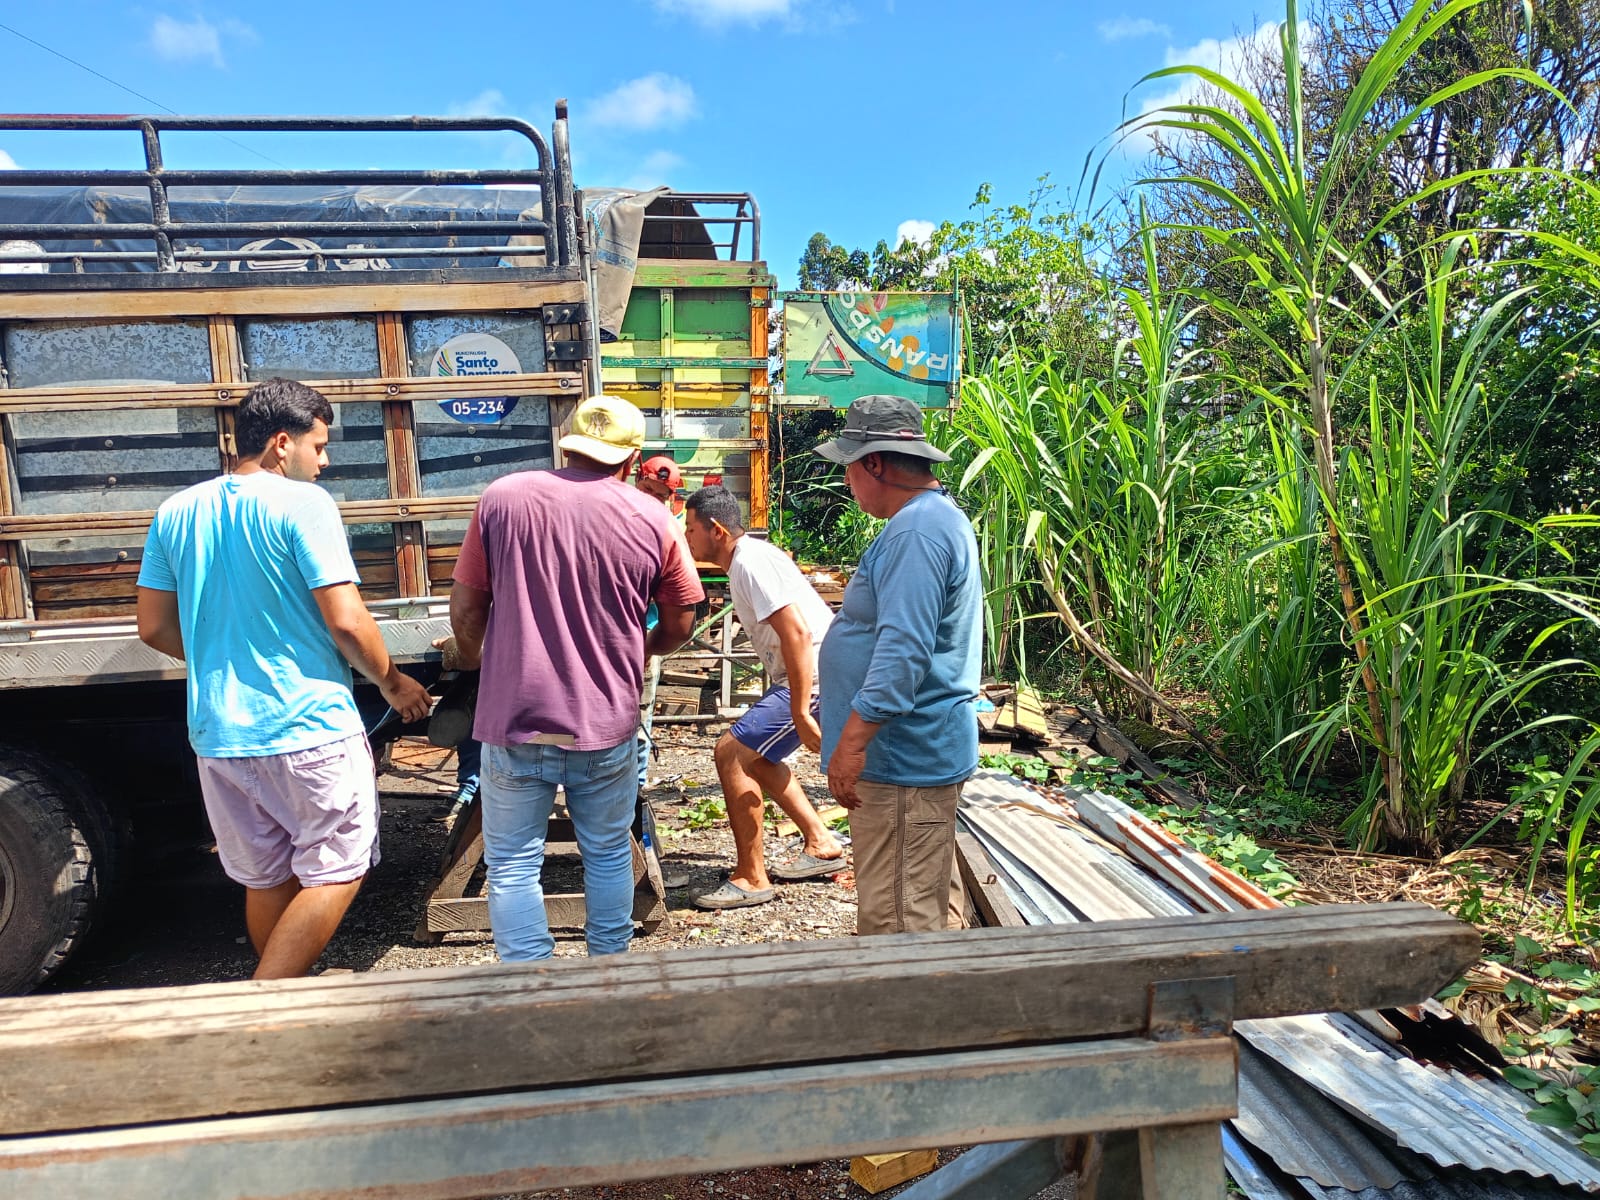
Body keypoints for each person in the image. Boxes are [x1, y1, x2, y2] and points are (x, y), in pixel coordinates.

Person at [135, 378, 433, 979]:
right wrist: (393, 682)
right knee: (338, 867)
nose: (324, 462)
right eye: (318, 446)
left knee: (268, 875)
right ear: (280, 443)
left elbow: (153, 627)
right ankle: (265, 1003)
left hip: (220, 735)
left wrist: (225, 658)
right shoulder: (304, 504)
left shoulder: (176, 511)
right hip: (307, 726)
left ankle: (281, 994)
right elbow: (346, 620)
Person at [446, 394, 703, 961]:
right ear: (632, 459)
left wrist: (484, 662)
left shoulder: (503, 498)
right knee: (608, 850)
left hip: (516, 719)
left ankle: (529, 978)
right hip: (602, 721)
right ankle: (607, 973)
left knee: (513, 862)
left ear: (567, 448)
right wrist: (640, 653)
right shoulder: (653, 518)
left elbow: (465, 611)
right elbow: (681, 619)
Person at [814, 394, 982, 935]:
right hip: (913, 755)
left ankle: (911, 995)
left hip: (902, 760)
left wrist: (851, 744)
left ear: (875, 464)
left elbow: (902, 652)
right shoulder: (932, 519)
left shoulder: (916, 532)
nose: (846, 482)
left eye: (848, 467)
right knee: (924, 900)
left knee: (899, 921)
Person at [681, 485, 844, 909]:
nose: (686, 537)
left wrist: (800, 709)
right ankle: (821, 841)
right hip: (811, 671)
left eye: (691, 528)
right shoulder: (746, 560)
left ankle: (752, 877)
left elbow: (797, 633)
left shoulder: (751, 562)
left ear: (716, 530)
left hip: (816, 673)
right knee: (757, 757)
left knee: (732, 753)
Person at [634, 453, 687, 794]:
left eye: (662, 495)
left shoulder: (671, 527)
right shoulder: (617, 517)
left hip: (646, 634)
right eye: (648, 490)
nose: (654, 499)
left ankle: (636, 787)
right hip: (608, 634)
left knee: (640, 714)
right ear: (637, 481)